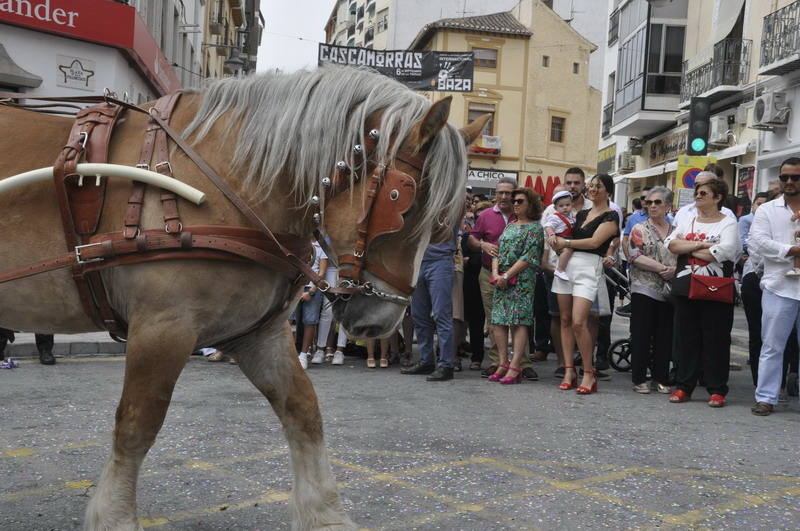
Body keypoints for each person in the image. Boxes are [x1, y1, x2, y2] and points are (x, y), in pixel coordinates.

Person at [665, 175, 741, 407]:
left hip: (716, 288)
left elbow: (724, 251)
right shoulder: (688, 221)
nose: (697, 196)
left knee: (715, 339)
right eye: (697, 192)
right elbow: (670, 244)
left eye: (703, 193)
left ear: (718, 198)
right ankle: (684, 386)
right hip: (686, 287)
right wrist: (702, 244)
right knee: (686, 338)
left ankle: (717, 389)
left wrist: (688, 249)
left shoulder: (728, 222)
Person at [551, 174, 620, 394]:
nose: (590, 190)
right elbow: (565, 236)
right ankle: (569, 369)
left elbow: (594, 242)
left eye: (596, 187)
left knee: (579, 321)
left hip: (590, 268)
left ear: (607, 191)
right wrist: (556, 242)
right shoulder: (581, 213)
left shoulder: (611, 217)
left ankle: (589, 372)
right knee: (564, 319)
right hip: (568, 266)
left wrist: (566, 242)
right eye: (590, 186)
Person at [467, 178, 536, 380]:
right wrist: (482, 245)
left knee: (519, 320)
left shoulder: (522, 214)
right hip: (490, 273)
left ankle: (522, 363)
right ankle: (499, 362)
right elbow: (472, 238)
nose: (505, 197)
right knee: (495, 319)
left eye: (509, 193)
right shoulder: (486, 215)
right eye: (501, 193)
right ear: (494, 194)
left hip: (520, 276)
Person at [750, 158, 800, 415]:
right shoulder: (767, 210)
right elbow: (758, 243)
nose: (789, 182)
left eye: (795, 177)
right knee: (772, 345)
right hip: (779, 286)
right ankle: (766, 397)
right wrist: (791, 250)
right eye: (785, 177)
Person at [487, 188, 544, 384]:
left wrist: (507, 274)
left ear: (531, 204)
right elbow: (498, 251)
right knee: (498, 321)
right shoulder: (510, 226)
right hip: (502, 279)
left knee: (519, 321)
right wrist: (496, 274)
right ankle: (503, 363)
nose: (515, 204)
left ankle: (515, 366)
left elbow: (529, 257)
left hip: (522, 280)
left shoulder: (536, 228)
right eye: (514, 201)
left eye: (520, 201)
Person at [626, 187, 676, 394]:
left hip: (669, 289)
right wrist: (661, 268)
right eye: (649, 202)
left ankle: (661, 377)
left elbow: (682, 255)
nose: (652, 206)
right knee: (641, 334)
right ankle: (639, 378)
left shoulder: (677, 230)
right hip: (644, 287)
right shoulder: (639, 228)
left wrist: (674, 270)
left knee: (665, 335)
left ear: (667, 206)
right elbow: (634, 255)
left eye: (657, 202)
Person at [402, 230, 458, 382]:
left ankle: (446, 365)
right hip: (417, 261)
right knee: (418, 315)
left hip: (440, 260)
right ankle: (426, 360)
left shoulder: (447, 205)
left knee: (442, 315)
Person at [463, 201, 489, 370]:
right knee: (475, 320)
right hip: (472, 282)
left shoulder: (497, 235)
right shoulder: (468, 237)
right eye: (478, 211)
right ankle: (476, 356)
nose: (481, 214)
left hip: (492, 278)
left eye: (484, 211)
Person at [295, 240, 328, 370]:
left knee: (310, 321)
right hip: (295, 287)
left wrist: (312, 291)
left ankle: (303, 354)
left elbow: (321, 273)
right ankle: (292, 353)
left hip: (312, 288)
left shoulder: (321, 248)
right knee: (291, 321)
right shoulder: (298, 244)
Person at [543, 190, 576, 281]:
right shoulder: (555, 217)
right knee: (567, 251)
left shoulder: (571, 217)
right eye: (561, 206)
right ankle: (560, 269)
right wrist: (552, 234)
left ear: (572, 205)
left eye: (567, 205)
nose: (565, 208)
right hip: (560, 238)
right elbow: (547, 226)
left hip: (568, 238)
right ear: (555, 208)